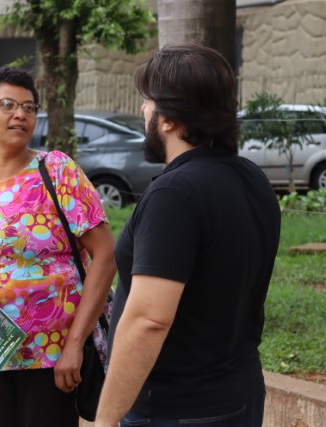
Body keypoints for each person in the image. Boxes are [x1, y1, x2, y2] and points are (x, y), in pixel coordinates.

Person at [95, 44, 281, 427]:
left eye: (147, 102)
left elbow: (149, 320)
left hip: (176, 409)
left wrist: (105, 420)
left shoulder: (174, 194)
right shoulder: (252, 178)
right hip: (240, 397)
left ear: (168, 119)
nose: (143, 110)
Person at [0, 66, 117, 427]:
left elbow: (106, 255)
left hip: (54, 353)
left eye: (29, 107)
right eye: (8, 105)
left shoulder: (57, 170)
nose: (20, 114)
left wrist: (74, 344)